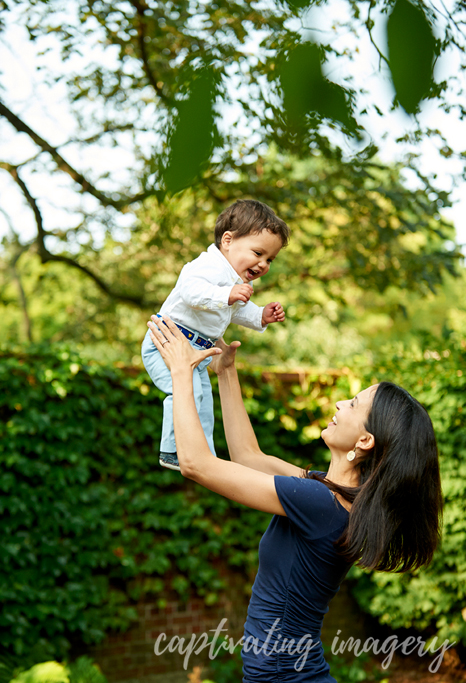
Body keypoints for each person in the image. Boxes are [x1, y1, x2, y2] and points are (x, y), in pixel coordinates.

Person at [146, 315, 443, 683]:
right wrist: (225, 371)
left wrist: (180, 374)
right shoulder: (328, 495)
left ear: (365, 442)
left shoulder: (318, 502)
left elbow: (195, 464)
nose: (338, 403)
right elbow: (248, 457)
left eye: (352, 404)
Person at [141, 199, 290, 471]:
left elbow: (237, 311)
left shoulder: (234, 282)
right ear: (228, 240)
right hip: (167, 343)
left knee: (204, 404)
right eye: (258, 253)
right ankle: (171, 450)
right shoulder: (207, 266)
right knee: (187, 392)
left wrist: (261, 316)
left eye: (270, 259)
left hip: (196, 352)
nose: (263, 264)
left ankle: (204, 454)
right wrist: (227, 295)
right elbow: (191, 292)